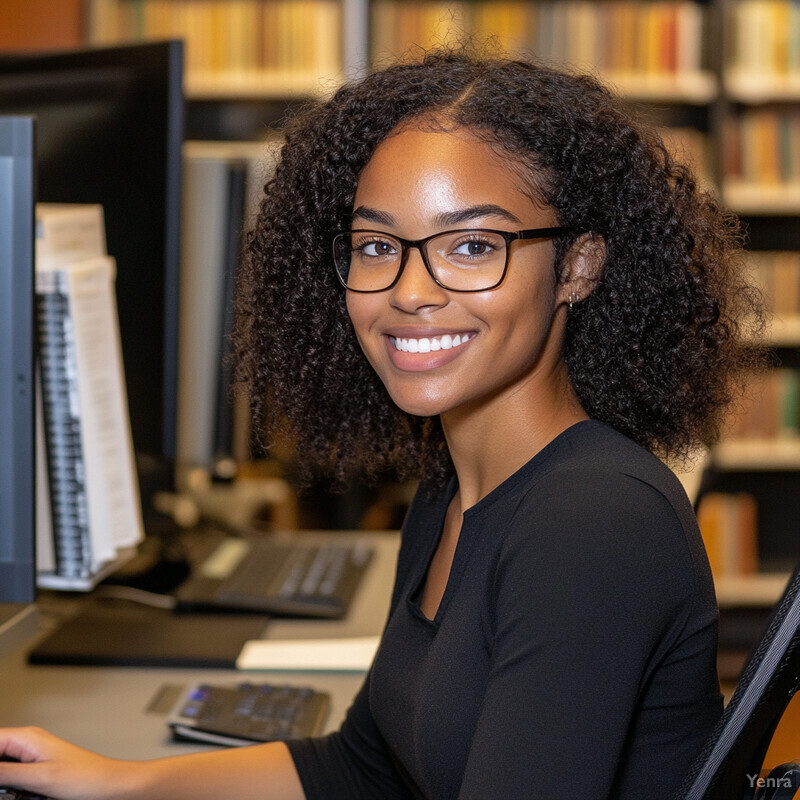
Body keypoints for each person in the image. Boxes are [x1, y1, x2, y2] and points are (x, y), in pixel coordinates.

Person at [0, 46, 764, 800]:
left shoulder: (594, 520)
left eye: (471, 245)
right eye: (376, 247)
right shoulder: (453, 489)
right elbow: (360, 769)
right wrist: (115, 783)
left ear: (578, 267)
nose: (409, 291)